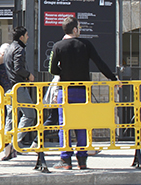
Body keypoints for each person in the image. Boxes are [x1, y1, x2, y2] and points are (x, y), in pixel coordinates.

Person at [49, 16, 117, 170]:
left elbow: (52, 69)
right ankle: (82, 160)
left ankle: (65, 159)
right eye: (79, 27)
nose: (80, 29)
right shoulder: (85, 44)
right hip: (82, 91)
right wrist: (113, 79)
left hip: (65, 91)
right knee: (82, 125)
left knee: (63, 125)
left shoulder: (58, 46)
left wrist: (64, 72)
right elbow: (100, 63)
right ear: (74, 29)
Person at [2, 26, 35, 160]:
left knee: (10, 117)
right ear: (21, 37)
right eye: (26, 35)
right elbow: (18, 68)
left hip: (9, 88)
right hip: (18, 86)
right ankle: (15, 142)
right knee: (30, 114)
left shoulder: (9, 48)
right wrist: (28, 75)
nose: (27, 38)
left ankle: (7, 147)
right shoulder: (19, 49)